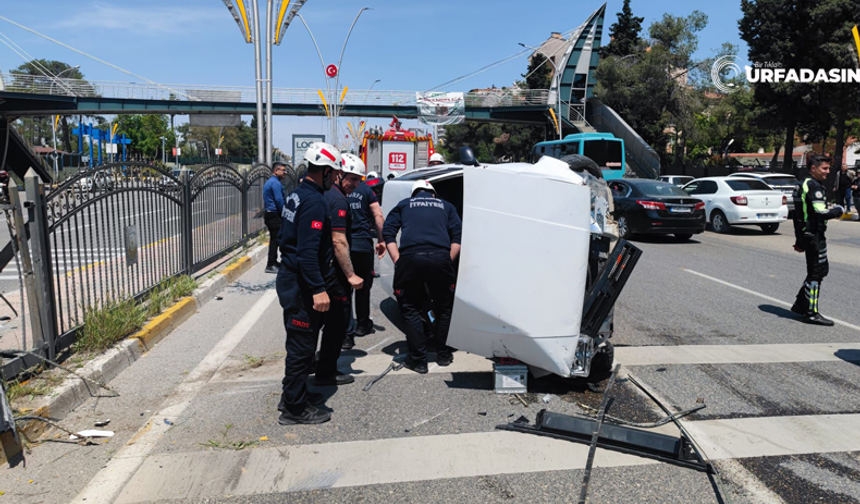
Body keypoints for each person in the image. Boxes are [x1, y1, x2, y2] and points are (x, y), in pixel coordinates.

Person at [275, 142, 343, 425]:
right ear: (325, 172)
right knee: (302, 348)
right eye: (335, 174)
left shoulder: (299, 194)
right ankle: (294, 409)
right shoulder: (315, 202)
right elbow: (307, 252)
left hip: (291, 278)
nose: (336, 179)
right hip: (301, 284)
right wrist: (318, 288)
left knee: (298, 343)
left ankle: (294, 394)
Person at [383, 180, 462, 373]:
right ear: (433, 194)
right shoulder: (447, 206)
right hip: (440, 258)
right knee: (444, 308)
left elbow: (388, 233)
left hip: (410, 258)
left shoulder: (403, 204)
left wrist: (398, 260)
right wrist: (446, 262)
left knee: (410, 308)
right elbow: (457, 238)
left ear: (414, 194)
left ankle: (418, 360)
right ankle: (443, 355)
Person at [316, 153, 364, 381]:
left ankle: (317, 363)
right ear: (339, 174)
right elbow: (338, 241)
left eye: (358, 181)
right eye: (351, 179)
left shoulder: (326, 194)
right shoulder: (339, 200)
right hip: (334, 274)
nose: (354, 185)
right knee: (337, 323)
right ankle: (326, 371)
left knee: (320, 324)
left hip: (322, 269)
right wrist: (351, 275)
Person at [790, 154, 844, 326]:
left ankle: (800, 304)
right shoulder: (814, 186)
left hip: (808, 235)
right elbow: (821, 213)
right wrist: (838, 210)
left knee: (820, 270)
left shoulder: (802, 184)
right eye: (825, 168)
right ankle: (811, 312)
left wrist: (800, 239)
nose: (828, 172)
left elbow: (797, 214)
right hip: (814, 236)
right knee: (816, 273)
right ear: (813, 168)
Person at [343, 153, 386, 347]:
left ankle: (346, 334)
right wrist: (382, 239)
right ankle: (362, 324)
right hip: (362, 245)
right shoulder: (366, 191)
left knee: (343, 290)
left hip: (343, 246)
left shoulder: (334, 191)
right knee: (363, 288)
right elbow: (378, 215)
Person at [263, 162, 288, 273]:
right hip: (273, 215)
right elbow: (279, 200)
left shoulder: (272, 182)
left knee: (275, 239)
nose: (285, 172)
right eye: (283, 170)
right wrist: (285, 214)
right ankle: (271, 264)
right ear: (276, 171)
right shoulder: (275, 183)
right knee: (276, 239)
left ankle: (273, 262)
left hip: (270, 214)